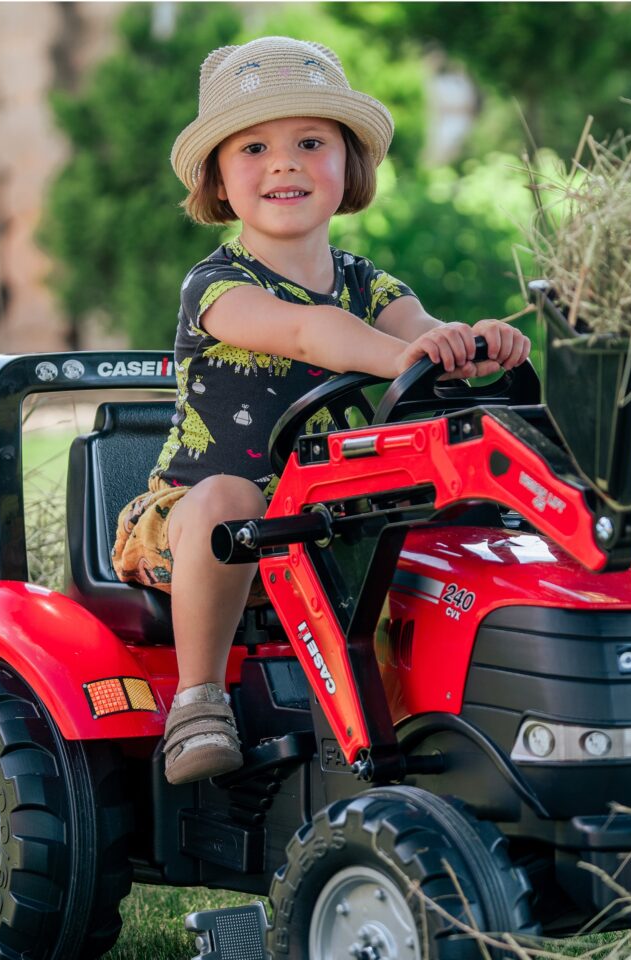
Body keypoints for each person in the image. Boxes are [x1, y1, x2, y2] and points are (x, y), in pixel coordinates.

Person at [111, 36, 530, 785]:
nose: (285, 163)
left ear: (349, 166)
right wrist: (397, 355)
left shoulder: (368, 283)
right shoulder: (215, 286)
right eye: (254, 148)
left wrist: (473, 342)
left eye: (311, 142)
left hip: (323, 515)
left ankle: (429, 715)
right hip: (195, 520)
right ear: (217, 178)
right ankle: (199, 703)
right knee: (228, 499)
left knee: (424, 513)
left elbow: (419, 329)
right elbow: (311, 332)